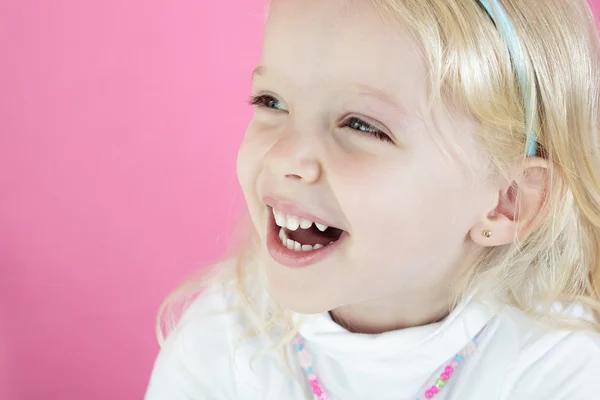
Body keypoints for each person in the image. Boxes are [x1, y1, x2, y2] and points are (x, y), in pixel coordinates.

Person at [145, 0, 600, 398]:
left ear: (508, 200)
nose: (284, 157)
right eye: (272, 102)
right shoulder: (220, 338)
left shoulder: (557, 369)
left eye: (361, 126)